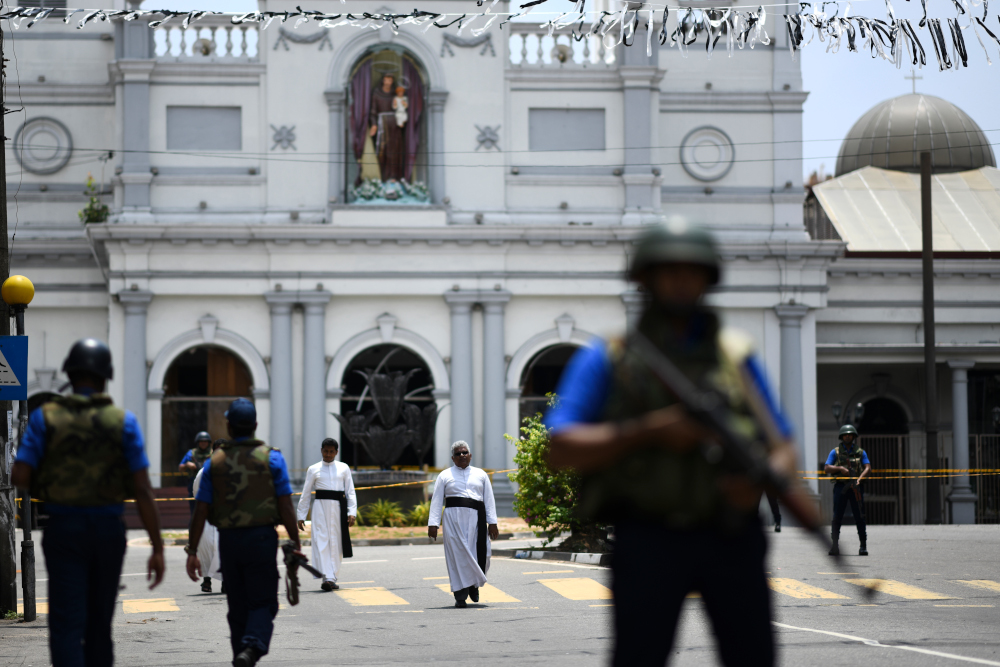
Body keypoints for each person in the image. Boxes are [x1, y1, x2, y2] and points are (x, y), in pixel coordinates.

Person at [545, 221, 815, 667]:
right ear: (644, 278)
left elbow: (780, 443)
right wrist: (651, 431)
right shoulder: (610, 357)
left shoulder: (733, 355)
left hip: (730, 533)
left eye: (691, 270)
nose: (680, 280)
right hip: (648, 536)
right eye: (667, 270)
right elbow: (561, 446)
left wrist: (765, 480)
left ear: (708, 278)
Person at [11, 338, 165, 667]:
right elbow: (142, 489)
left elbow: (19, 475)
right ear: (105, 376)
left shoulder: (45, 418)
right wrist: (157, 547)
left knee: (66, 623)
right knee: (99, 625)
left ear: (70, 373)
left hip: (64, 530)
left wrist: (52, 481)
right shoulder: (123, 421)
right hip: (108, 531)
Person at [185, 398, 301, 667]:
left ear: (228, 425)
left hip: (230, 541)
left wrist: (192, 551)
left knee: (237, 606)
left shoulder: (215, 463)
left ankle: (242, 653)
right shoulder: (272, 457)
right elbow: (285, 505)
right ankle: (251, 648)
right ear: (256, 425)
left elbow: (201, 510)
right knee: (262, 602)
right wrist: (295, 543)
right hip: (261, 539)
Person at [427, 441, 500, 608]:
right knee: (458, 556)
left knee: (483, 554)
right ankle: (460, 595)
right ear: (453, 458)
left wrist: (492, 522)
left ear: (470, 455)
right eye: (458, 454)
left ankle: (474, 585)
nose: (462, 456)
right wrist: (433, 524)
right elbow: (437, 500)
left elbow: (489, 500)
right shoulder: (445, 475)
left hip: (477, 519)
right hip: (453, 519)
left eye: (465, 452)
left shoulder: (480, 474)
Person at [296, 438, 357, 591]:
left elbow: (350, 491)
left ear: (336, 452)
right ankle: (327, 577)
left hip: (338, 508)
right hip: (320, 508)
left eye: (331, 452)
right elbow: (306, 493)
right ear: (321, 451)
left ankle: (332, 577)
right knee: (320, 540)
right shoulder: (313, 469)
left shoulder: (343, 468)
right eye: (325, 451)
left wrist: (352, 512)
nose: (328, 454)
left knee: (336, 542)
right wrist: (301, 515)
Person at [824, 424, 871, 556]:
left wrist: (859, 479)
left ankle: (863, 545)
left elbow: (868, 468)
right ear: (841, 436)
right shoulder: (836, 452)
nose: (848, 436)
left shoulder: (860, 452)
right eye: (845, 434)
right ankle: (834, 546)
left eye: (850, 434)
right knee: (837, 517)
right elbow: (827, 468)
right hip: (841, 487)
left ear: (854, 436)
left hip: (856, 487)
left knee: (860, 517)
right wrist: (840, 469)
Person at [191, 438, 226, 593]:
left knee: (224, 549)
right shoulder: (204, 471)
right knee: (205, 547)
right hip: (208, 514)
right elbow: (196, 491)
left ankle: (226, 582)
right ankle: (206, 580)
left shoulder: (233, 470)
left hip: (225, 516)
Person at [180, 431, 213, 515]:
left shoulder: (213, 453)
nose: (203, 443)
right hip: (194, 483)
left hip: (209, 483)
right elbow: (180, 468)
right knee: (194, 510)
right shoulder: (191, 453)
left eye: (205, 441)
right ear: (198, 442)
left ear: (209, 443)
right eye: (201, 441)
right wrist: (187, 465)